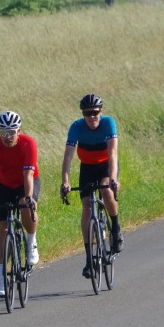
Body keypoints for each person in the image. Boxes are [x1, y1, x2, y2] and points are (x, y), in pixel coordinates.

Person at [60, 93, 123, 279]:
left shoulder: (108, 123)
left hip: (106, 166)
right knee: (87, 207)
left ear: (101, 112)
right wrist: (65, 181)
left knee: (106, 190)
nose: (91, 117)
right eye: (87, 113)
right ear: (83, 114)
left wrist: (113, 178)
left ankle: (116, 228)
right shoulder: (76, 127)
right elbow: (68, 156)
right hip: (87, 167)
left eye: (95, 113)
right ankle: (89, 259)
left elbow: (113, 153)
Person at [0, 111, 40, 298]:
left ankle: (31, 242)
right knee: (2, 228)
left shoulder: (28, 143)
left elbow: (28, 174)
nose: (7, 137)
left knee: (25, 204)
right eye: (3, 132)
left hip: (27, 182)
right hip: (5, 185)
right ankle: (2, 277)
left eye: (11, 132)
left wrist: (29, 197)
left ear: (19, 130)